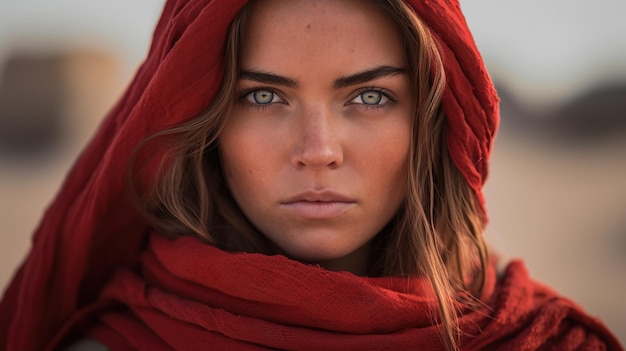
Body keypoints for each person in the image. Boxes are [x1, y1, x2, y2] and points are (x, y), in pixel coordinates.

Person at [0, 0, 622, 350]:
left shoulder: (543, 342)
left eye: (371, 97)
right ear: (204, 122)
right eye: (264, 97)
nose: (318, 150)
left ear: (433, 125)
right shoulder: (125, 345)